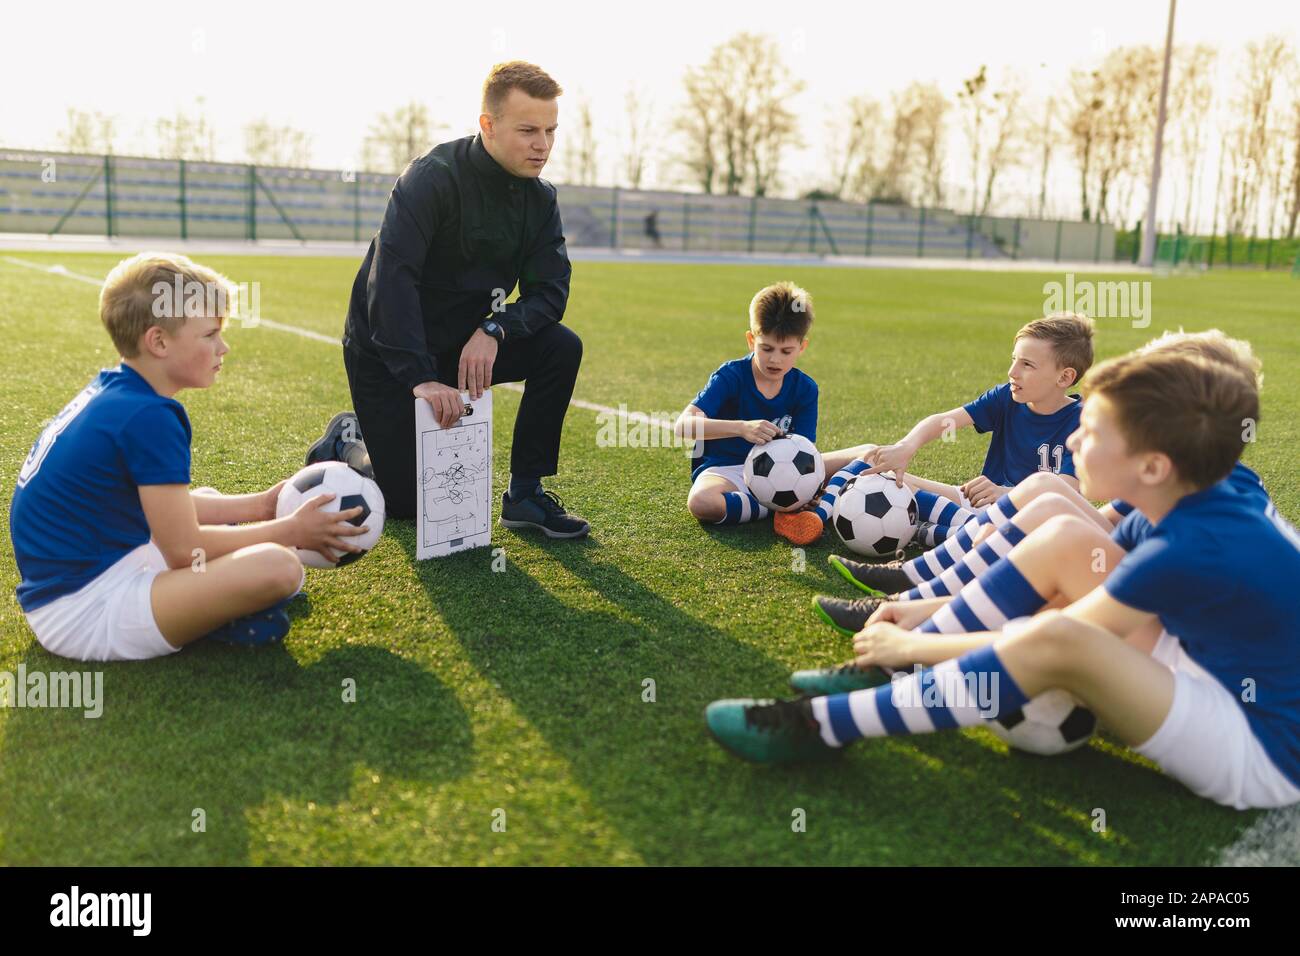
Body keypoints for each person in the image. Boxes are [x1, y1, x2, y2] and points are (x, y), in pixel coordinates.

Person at [706, 348, 1300, 811]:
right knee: (1067, 543)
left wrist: (918, 642)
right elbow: (1063, 585)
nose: (1071, 440)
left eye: (1092, 433)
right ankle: (895, 641)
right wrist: (932, 607)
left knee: (1064, 642)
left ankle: (822, 726)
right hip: (1206, 661)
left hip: (1257, 746)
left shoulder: (1193, 544)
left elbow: (1062, 631)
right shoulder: (1195, 491)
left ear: (1151, 466)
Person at [10, 253, 367, 660]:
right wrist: (290, 531)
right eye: (210, 334)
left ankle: (213, 598)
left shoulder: (118, 392)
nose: (224, 346)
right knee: (280, 567)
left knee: (214, 501)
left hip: (96, 570)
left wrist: (263, 505)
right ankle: (219, 616)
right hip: (86, 609)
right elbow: (185, 550)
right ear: (158, 341)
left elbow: (146, 508)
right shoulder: (149, 415)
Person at [310, 61, 589, 539]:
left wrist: (495, 329)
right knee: (408, 505)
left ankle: (525, 495)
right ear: (488, 125)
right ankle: (351, 441)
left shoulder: (540, 200)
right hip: (388, 350)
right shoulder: (430, 178)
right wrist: (419, 377)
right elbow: (391, 283)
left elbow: (550, 292)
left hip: (464, 347)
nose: (542, 144)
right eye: (527, 130)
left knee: (560, 346)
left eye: (550, 130)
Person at [673, 282, 875, 526]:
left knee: (871, 452)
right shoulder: (731, 376)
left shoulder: (805, 388)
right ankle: (782, 509)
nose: (775, 359)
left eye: (786, 351)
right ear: (751, 340)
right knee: (702, 502)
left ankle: (802, 503)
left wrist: (805, 485)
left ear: (802, 347)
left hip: (785, 473)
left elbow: (805, 450)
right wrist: (741, 428)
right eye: (766, 348)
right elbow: (683, 426)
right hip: (729, 471)